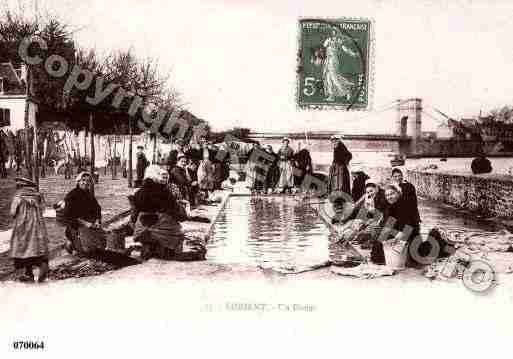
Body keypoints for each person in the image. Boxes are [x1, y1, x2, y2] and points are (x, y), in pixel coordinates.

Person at [132, 165, 205, 260]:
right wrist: (183, 212)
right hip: (162, 228)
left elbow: (134, 216)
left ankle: (151, 245)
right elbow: (175, 212)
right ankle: (163, 248)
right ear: (156, 175)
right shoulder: (162, 191)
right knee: (177, 231)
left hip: (141, 230)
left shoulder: (138, 192)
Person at [9, 177, 49, 282]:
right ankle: (41, 265)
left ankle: (27, 271)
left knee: (23, 247)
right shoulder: (38, 196)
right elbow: (43, 209)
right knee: (37, 246)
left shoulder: (17, 198)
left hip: (22, 227)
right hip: (37, 227)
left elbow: (12, 213)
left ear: (20, 186)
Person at [62, 172, 103, 254]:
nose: (85, 182)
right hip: (76, 227)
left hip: (90, 225)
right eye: (83, 180)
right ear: (78, 181)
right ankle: (70, 243)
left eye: (88, 181)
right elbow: (68, 215)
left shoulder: (89, 195)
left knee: (101, 246)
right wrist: (85, 223)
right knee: (86, 251)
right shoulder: (71, 196)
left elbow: (97, 209)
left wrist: (97, 220)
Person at [382, 183, 421, 268]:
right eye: (387, 195)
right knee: (379, 251)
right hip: (399, 233)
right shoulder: (390, 207)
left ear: (398, 193)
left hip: (410, 234)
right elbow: (387, 227)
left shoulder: (406, 204)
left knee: (410, 261)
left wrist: (398, 238)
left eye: (392, 193)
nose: (389, 197)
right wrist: (384, 239)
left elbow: (409, 226)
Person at [322, 30, 358, 101]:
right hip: (327, 60)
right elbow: (324, 47)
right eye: (332, 33)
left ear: (337, 34)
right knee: (328, 78)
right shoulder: (328, 40)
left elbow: (345, 49)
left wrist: (353, 54)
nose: (333, 34)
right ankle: (331, 96)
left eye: (335, 33)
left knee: (334, 78)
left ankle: (347, 90)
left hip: (333, 60)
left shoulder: (339, 41)